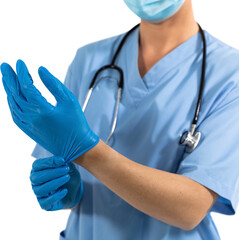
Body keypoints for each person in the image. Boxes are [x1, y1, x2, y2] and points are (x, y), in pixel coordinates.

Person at [2, 0, 239, 239]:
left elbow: (191, 208)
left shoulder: (230, 74)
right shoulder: (89, 60)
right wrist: (63, 190)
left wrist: (89, 153)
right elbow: (67, 174)